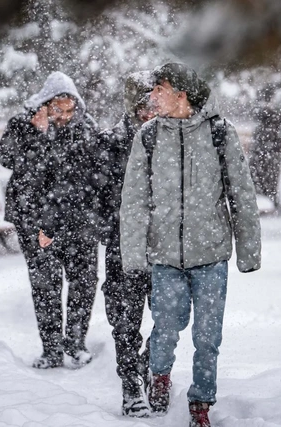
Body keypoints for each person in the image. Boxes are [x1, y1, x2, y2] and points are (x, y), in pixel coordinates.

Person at [120, 63, 261, 426]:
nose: (152, 96)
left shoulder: (219, 132)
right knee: (165, 328)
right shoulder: (148, 136)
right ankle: (161, 376)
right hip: (165, 256)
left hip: (211, 254)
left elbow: (240, 193)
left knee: (207, 337)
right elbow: (133, 200)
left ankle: (200, 404)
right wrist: (134, 254)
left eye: (159, 88)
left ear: (181, 94)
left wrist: (249, 251)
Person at [0, 71, 100, 369]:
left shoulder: (85, 128)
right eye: (58, 110)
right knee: (45, 285)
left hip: (78, 218)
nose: (64, 116)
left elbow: (87, 174)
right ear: (45, 104)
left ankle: (76, 343)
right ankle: (51, 349)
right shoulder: (23, 125)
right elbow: (6, 158)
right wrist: (37, 134)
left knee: (84, 281)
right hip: (34, 217)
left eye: (69, 110)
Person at [95, 71, 155, 418]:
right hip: (123, 246)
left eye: (156, 101)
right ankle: (130, 383)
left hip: (164, 247)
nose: (152, 110)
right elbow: (96, 196)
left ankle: (152, 369)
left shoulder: (171, 139)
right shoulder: (111, 142)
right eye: (145, 103)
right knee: (125, 319)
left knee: (167, 317)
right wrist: (114, 232)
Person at [248, 82, 281, 209]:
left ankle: (270, 198)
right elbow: (257, 113)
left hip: (274, 147)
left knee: (271, 174)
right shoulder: (260, 107)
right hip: (261, 147)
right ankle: (261, 198)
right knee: (258, 173)